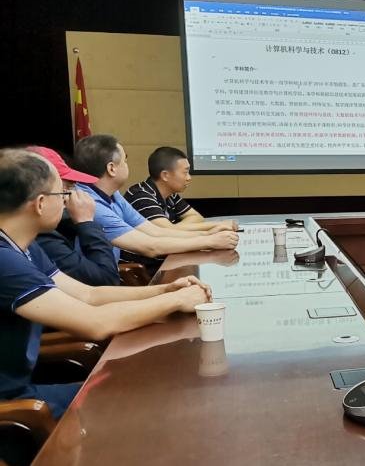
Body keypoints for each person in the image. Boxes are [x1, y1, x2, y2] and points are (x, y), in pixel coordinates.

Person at [0, 149, 214, 420]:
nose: (68, 200)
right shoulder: (5, 260)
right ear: (40, 203)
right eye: (63, 193)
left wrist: (165, 289)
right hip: (13, 407)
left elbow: (89, 295)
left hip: (23, 391)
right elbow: (94, 322)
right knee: (144, 399)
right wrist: (175, 301)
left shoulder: (24, 247)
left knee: (142, 388)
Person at [71, 134, 237, 263]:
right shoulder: (90, 203)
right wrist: (209, 241)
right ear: (112, 168)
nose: (127, 164)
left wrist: (206, 234)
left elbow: (156, 232)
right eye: (125, 160)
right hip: (100, 284)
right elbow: (150, 246)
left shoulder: (113, 194)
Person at [29, 146, 119, 286]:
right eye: (65, 190)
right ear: (40, 200)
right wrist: (86, 222)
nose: (71, 197)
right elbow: (106, 280)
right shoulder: (41, 238)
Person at [124, 146, 236, 233]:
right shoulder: (141, 195)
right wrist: (218, 224)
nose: (189, 178)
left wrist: (174, 229)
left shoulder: (170, 195)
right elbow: (165, 233)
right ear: (165, 175)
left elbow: (197, 217)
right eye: (185, 172)